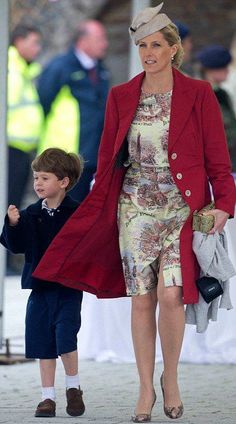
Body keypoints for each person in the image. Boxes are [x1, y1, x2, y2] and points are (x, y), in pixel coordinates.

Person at [33, 2, 236, 422]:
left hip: (182, 209)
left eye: (156, 45)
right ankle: (145, 389)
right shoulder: (121, 95)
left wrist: (224, 205)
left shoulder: (198, 95)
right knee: (142, 299)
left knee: (172, 295)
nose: (148, 52)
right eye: (142, 44)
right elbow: (107, 158)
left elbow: (218, 158)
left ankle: (171, 378)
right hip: (135, 209)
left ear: (173, 49)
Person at [0, 148, 84, 418]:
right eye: (36, 177)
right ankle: (47, 396)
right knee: (41, 342)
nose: (37, 183)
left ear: (63, 182)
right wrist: (12, 225)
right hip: (39, 289)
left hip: (68, 289)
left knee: (65, 338)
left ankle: (73, 387)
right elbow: (17, 247)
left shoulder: (77, 214)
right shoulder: (30, 214)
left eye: (44, 178)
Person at [37, 20, 109, 203]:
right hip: (66, 158)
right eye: (100, 38)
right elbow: (43, 102)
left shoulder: (101, 70)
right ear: (83, 41)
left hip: (93, 156)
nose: (105, 44)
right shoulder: (61, 67)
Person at [8, 22, 44, 209]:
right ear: (19, 42)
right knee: (8, 201)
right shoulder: (10, 70)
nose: (37, 49)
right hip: (9, 149)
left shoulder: (22, 69)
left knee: (14, 201)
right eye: (34, 43)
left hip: (20, 149)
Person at [196, 45, 236, 173]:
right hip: (214, 163)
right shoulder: (202, 95)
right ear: (210, 71)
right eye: (223, 68)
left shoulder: (222, 93)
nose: (228, 71)